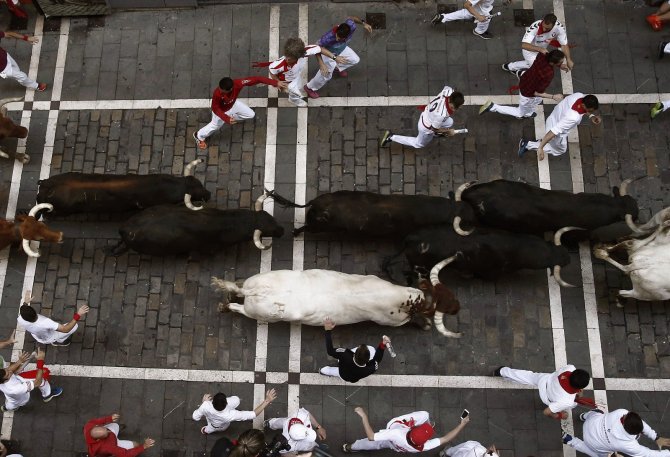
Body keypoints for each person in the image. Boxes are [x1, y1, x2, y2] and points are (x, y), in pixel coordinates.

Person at [193, 76, 288, 150]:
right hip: (221, 111)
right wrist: (226, 118)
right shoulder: (217, 93)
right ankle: (198, 135)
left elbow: (257, 79)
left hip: (233, 104)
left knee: (251, 114)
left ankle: (232, 117)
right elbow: (215, 108)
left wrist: (275, 82)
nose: (220, 91)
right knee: (215, 126)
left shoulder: (238, 83)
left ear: (230, 89)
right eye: (220, 89)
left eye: (223, 91)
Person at [480, 49, 565, 119]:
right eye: (561, 62)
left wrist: (559, 65)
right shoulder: (548, 74)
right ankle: (493, 107)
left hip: (525, 78)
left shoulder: (541, 55)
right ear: (554, 63)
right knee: (520, 113)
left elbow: (546, 55)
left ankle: (528, 112)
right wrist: (553, 97)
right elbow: (537, 93)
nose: (562, 63)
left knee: (537, 100)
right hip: (528, 93)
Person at [303, 16, 372, 99]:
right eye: (337, 36)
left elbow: (352, 18)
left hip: (341, 50)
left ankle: (337, 67)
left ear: (346, 36)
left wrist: (364, 23)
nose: (337, 38)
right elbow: (317, 48)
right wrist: (321, 64)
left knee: (355, 59)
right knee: (326, 74)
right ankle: (309, 87)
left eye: (340, 38)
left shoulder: (351, 25)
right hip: (327, 54)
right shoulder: (327, 38)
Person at [344, 407, 469, 453]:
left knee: (369, 443)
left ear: (412, 430)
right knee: (425, 416)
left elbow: (371, 436)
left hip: (392, 437)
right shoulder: (424, 446)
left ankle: (350, 447)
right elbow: (446, 438)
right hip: (397, 447)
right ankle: (350, 448)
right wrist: (462, 425)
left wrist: (364, 416)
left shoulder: (396, 433)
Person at [517, 93, 601, 161]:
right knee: (560, 150)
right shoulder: (573, 117)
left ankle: (538, 142)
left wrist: (591, 116)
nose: (590, 112)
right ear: (583, 105)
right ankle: (527, 145)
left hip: (553, 118)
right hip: (556, 132)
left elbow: (581, 108)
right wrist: (541, 147)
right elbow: (553, 132)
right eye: (590, 110)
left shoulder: (579, 95)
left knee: (554, 145)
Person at [256, 38, 333, 107]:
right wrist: (277, 83)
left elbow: (320, 49)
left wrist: (325, 61)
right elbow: (271, 70)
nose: (287, 59)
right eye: (286, 56)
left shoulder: (305, 52)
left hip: (296, 76)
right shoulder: (278, 65)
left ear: (299, 56)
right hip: (287, 81)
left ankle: (294, 97)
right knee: (294, 92)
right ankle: (294, 100)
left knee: (298, 87)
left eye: (290, 58)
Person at [493, 365, 590, 420]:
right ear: (580, 388)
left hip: (544, 380)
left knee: (526, 376)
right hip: (546, 397)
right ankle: (505, 375)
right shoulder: (567, 401)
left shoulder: (570, 368)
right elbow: (547, 411)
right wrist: (559, 415)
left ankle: (501, 371)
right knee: (573, 404)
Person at [380, 87, 464, 149]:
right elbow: (434, 128)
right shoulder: (441, 115)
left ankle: (437, 135)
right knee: (419, 144)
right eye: (457, 107)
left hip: (428, 114)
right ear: (451, 105)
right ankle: (391, 137)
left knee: (450, 122)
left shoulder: (448, 90)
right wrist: (448, 131)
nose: (459, 108)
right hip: (426, 127)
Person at [562, 409, 670, 457]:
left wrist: (656, 437)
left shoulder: (620, 412)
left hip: (590, 424)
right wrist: (667, 453)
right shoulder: (629, 445)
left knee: (597, 412)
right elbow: (648, 454)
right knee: (599, 455)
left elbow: (639, 422)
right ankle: (569, 440)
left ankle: (583, 416)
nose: (624, 415)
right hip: (591, 443)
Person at [319, 317, 390, 383]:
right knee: (372, 350)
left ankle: (322, 370)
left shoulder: (345, 354)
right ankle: (324, 371)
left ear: (355, 354)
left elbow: (330, 351)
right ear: (368, 359)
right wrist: (382, 344)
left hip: (342, 372)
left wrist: (327, 330)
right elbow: (377, 359)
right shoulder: (370, 369)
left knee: (327, 370)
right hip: (349, 378)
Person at [501, 13, 573, 77]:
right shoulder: (535, 27)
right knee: (540, 70)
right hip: (529, 51)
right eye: (543, 26)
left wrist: (568, 59)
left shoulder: (560, 28)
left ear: (553, 25)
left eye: (547, 28)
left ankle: (510, 66)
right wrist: (540, 49)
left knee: (532, 64)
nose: (544, 29)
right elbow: (524, 45)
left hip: (541, 51)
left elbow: (564, 45)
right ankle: (520, 73)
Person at [18, 290, 89, 347]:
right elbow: (66, 329)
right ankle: (59, 341)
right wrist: (78, 314)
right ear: (34, 312)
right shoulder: (45, 322)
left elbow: (23, 313)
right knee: (74, 326)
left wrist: (25, 303)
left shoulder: (20, 319)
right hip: (51, 337)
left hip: (37, 335)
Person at [193, 388, 277, 435]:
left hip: (212, 424)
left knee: (209, 429)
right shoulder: (231, 415)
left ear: (213, 401)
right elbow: (253, 414)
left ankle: (205, 431)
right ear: (226, 402)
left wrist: (204, 402)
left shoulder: (205, 405)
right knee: (236, 400)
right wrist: (267, 400)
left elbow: (195, 417)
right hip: (223, 426)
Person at [430, 0, 512, 40]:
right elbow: (467, 4)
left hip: (479, 5)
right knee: (485, 20)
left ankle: (442, 17)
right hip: (482, 9)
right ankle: (479, 31)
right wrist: (479, 16)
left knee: (466, 13)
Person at [84, 413, 156, 457]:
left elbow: (97, 421)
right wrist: (144, 446)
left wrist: (109, 418)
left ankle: (117, 428)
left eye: (106, 429)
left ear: (96, 426)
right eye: (107, 433)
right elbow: (126, 454)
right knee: (136, 445)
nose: (109, 431)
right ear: (99, 439)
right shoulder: (108, 447)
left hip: (109, 438)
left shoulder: (88, 426)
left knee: (115, 425)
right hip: (115, 443)